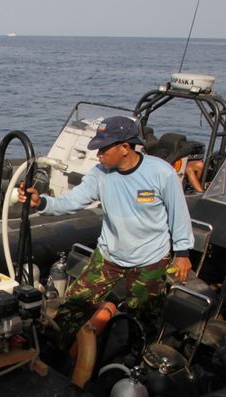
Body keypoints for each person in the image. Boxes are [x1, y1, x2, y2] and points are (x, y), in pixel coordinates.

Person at [18, 115, 194, 345]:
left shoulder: (161, 173)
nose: (98, 154)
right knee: (72, 307)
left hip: (150, 261)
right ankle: (54, 348)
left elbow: (179, 214)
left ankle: (137, 360)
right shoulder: (100, 173)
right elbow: (73, 201)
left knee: (144, 318)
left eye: (103, 149)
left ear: (124, 147)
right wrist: (41, 202)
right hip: (109, 256)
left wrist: (183, 254)